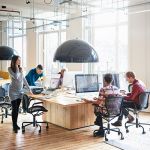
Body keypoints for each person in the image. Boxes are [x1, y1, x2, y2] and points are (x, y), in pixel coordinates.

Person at [8, 55, 32, 133]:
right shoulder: (10, 69)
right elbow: (16, 76)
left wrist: (29, 88)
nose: (20, 61)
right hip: (12, 91)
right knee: (14, 109)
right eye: (18, 60)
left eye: (20, 60)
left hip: (20, 91)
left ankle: (15, 124)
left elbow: (23, 79)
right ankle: (14, 125)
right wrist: (17, 68)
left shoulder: (20, 69)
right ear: (14, 61)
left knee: (17, 109)